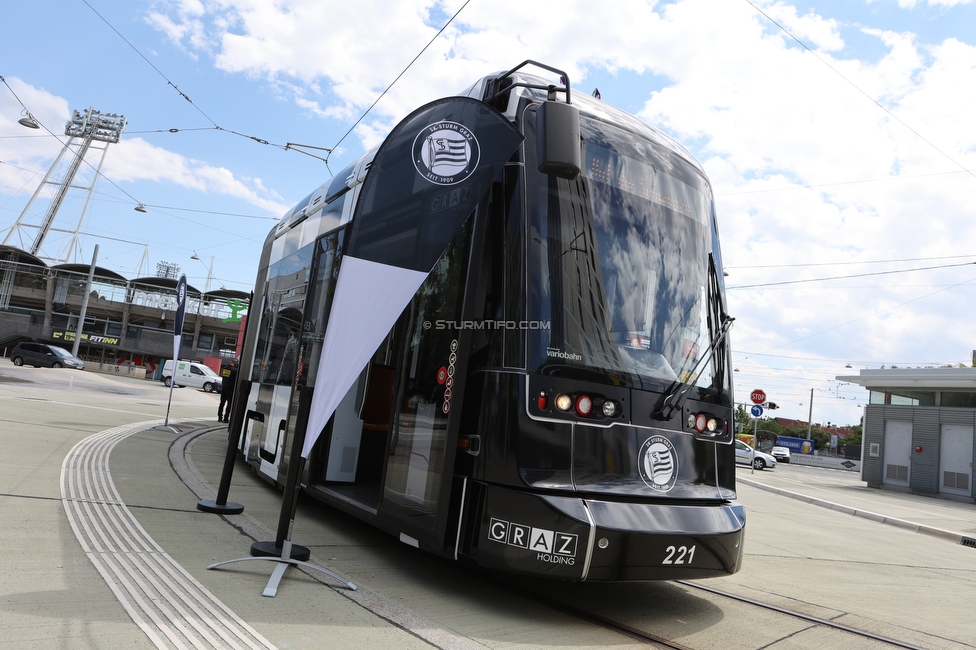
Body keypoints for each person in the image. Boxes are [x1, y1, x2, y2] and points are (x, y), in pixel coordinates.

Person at [217, 358, 239, 423]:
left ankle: (219, 418)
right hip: (230, 389)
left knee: (222, 403)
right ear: (235, 363)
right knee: (229, 404)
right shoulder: (235, 371)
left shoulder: (225, 369)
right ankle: (226, 418)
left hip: (224, 388)